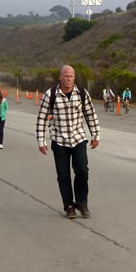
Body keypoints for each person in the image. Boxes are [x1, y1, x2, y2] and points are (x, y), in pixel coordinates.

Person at [36, 65, 100, 219]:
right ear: (60, 77)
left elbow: (90, 114)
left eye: (71, 76)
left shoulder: (82, 93)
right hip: (59, 140)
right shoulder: (51, 94)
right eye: (66, 76)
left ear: (74, 78)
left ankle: (82, 203)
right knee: (63, 175)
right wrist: (41, 141)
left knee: (82, 171)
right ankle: (69, 205)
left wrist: (95, 135)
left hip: (78, 138)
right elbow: (42, 118)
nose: (68, 79)